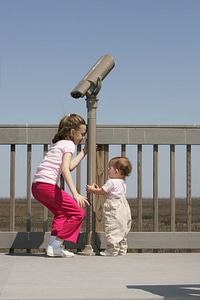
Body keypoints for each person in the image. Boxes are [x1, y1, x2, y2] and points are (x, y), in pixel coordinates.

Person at [32, 114, 90, 258]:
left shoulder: (58, 144)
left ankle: (53, 247)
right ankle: (56, 244)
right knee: (78, 213)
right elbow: (65, 169)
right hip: (47, 186)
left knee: (61, 213)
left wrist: (84, 152)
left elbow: (68, 166)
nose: (82, 138)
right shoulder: (69, 144)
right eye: (82, 134)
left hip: (37, 187)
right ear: (72, 132)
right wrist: (75, 193)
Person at [86, 156, 132, 256]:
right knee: (121, 227)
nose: (108, 170)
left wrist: (91, 189)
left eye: (109, 168)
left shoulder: (111, 181)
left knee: (112, 226)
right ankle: (122, 249)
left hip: (114, 207)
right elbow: (107, 191)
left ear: (116, 171)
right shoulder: (122, 182)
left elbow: (102, 191)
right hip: (123, 206)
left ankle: (112, 250)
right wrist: (100, 189)